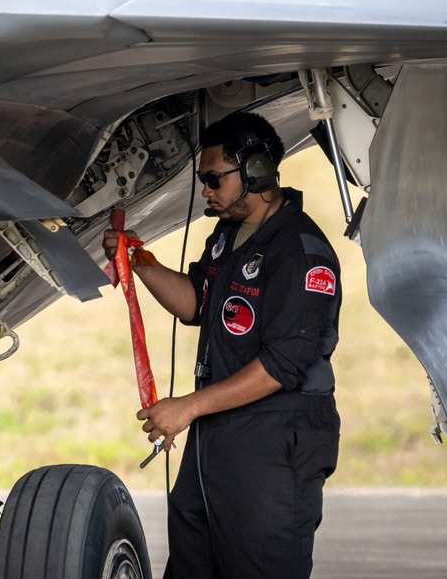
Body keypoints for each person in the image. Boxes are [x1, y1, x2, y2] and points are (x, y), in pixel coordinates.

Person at [103, 111, 341, 578]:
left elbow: (280, 366)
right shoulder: (228, 234)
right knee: (193, 563)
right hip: (219, 431)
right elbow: (197, 305)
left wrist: (187, 407)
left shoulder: (301, 251)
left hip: (275, 438)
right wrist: (138, 260)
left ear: (256, 171)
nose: (206, 192)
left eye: (213, 179)